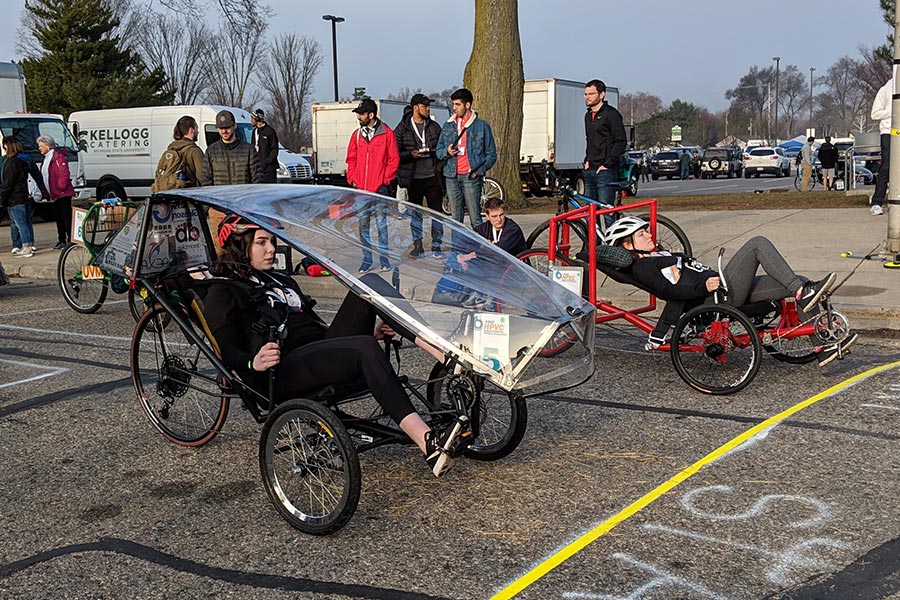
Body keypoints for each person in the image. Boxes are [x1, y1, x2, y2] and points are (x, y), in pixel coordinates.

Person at [203, 215, 466, 476]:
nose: (271, 249)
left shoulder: (281, 280)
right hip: (283, 368)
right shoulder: (224, 291)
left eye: (271, 241)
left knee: (369, 284)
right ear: (238, 245)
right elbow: (227, 351)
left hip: (318, 351)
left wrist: (368, 333)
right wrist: (253, 362)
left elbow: (313, 326)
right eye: (261, 242)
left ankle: (443, 353)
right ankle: (427, 442)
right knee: (363, 348)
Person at [605, 216, 858, 366]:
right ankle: (804, 292)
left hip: (721, 287)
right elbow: (670, 290)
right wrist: (702, 285)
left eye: (646, 230)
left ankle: (823, 345)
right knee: (757, 244)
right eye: (642, 233)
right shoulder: (645, 266)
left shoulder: (658, 255)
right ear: (627, 244)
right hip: (717, 295)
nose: (650, 234)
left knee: (797, 281)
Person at [346, 98, 399, 272]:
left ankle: (384, 260)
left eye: (361, 114)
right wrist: (352, 177)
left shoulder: (387, 134)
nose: (359, 117)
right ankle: (367, 259)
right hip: (361, 188)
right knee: (363, 225)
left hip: (379, 188)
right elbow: (351, 158)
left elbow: (393, 159)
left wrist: (385, 180)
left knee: (381, 225)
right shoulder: (356, 135)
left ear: (371, 114)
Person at [201, 110, 262, 252]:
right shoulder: (211, 151)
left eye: (227, 127)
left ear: (234, 126)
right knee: (221, 251)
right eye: (221, 128)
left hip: (243, 209)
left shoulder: (248, 149)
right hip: (218, 210)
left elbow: (257, 180)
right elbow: (205, 181)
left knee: (245, 249)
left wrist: (252, 205)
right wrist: (209, 208)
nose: (224, 131)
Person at [437, 88, 497, 229]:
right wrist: (447, 151)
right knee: (455, 220)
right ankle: (456, 250)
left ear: (468, 105)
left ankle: (479, 249)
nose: (454, 108)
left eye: (457, 104)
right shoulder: (448, 125)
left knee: (475, 218)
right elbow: (438, 151)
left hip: (471, 176)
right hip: (451, 176)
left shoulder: (481, 126)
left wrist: (479, 171)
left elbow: (491, 154)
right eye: (453, 104)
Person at [395, 93, 444, 258]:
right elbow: (395, 154)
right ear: (416, 107)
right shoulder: (402, 129)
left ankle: (437, 246)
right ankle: (418, 245)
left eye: (428, 106)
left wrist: (435, 154)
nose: (428, 109)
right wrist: (410, 154)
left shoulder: (434, 126)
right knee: (416, 214)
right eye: (425, 106)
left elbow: (442, 148)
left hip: (433, 176)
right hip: (413, 178)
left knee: (437, 213)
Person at [37, 135, 76, 250]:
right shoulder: (46, 159)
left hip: (62, 194)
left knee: (66, 217)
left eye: (41, 146)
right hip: (53, 194)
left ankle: (71, 240)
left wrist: (60, 187)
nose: (39, 148)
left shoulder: (58, 157)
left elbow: (64, 174)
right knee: (58, 218)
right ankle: (62, 240)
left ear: (48, 146)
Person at [1, 137, 37, 258]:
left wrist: (2, 197)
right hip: (23, 196)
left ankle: (26, 247)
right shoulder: (22, 161)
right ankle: (29, 245)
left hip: (14, 198)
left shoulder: (10, 163)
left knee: (20, 223)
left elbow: (8, 184)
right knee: (26, 222)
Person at [870, 77, 893, 215]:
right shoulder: (886, 89)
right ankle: (877, 202)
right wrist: (893, 111)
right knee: (887, 166)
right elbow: (875, 113)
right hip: (889, 132)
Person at [161, 115, 204, 188]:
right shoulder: (195, 151)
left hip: (173, 192)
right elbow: (202, 178)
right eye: (197, 128)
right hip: (190, 193)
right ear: (191, 130)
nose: (198, 132)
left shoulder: (171, 149)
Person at [250, 109, 279, 183]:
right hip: (258, 169)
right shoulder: (254, 131)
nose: (251, 120)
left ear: (257, 118)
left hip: (269, 170)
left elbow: (274, 149)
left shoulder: (270, 131)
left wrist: (267, 161)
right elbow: (253, 147)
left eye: (253, 118)